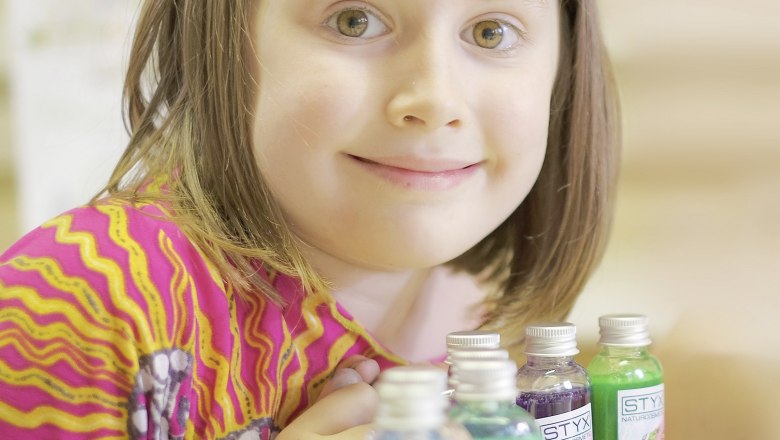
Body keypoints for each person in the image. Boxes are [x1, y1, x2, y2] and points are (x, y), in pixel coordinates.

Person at [0, 0, 619, 438]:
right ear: (223, 45)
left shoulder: (497, 337)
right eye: (355, 20)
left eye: (491, 32)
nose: (435, 100)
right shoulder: (76, 299)